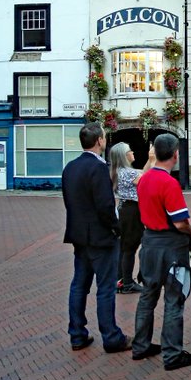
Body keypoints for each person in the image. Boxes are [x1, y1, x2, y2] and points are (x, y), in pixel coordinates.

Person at [132, 133, 191, 371]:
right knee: (174, 299)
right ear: (175, 154)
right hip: (170, 246)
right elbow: (180, 222)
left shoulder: (144, 178)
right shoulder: (169, 183)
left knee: (147, 296)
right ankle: (172, 354)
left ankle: (140, 344)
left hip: (149, 242)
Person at [61, 122, 130, 353]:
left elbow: (70, 201)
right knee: (105, 288)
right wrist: (116, 228)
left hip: (79, 236)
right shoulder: (98, 168)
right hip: (101, 237)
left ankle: (77, 334)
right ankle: (111, 337)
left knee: (79, 285)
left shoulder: (69, 167)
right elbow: (105, 205)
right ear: (100, 141)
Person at [109, 142, 154, 294]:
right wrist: (153, 160)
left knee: (124, 247)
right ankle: (127, 283)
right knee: (129, 248)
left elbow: (143, 174)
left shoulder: (121, 171)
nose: (132, 152)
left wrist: (150, 159)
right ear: (124, 155)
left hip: (125, 210)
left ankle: (120, 280)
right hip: (132, 212)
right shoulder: (127, 173)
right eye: (129, 150)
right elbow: (147, 179)